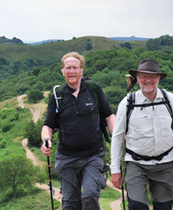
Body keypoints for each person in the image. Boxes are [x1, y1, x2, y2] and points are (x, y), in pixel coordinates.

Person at [110, 58, 173, 210]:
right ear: (137, 78)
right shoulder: (127, 103)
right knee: (136, 207)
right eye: (144, 76)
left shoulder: (171, 100)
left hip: (164, 164)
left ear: (159, 78)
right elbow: (117, 138)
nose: (148, 80)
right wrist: (115, 169)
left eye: (152, 76)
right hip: (135, 164)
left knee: (164, 207)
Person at [41, 52, 115, 210]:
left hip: (93, 155)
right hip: (67, 157)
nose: (71, 71)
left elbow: (108, 116)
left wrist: (116, 138)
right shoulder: (58, 95)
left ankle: (98, 177)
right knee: (69, 203)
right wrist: (45, 140)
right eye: (68, 68)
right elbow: (48, 125)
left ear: (81, 70)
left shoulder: (93, 89)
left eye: (75, 67)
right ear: (62, 71)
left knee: (89, 195)